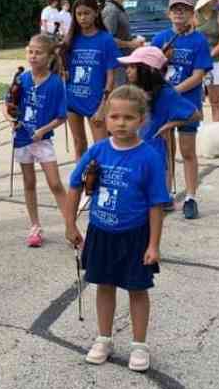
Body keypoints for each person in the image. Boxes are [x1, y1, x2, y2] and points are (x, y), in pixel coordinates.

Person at [63, 85, 170, 372]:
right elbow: (74, 186)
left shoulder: (149, 157)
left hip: (135, 234)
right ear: (105, 118)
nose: (120, 123)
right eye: (114, 117)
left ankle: (139, 345)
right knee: (104, 286)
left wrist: (153, 244)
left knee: (137, 289)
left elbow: (156, 203)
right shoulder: (97, 150)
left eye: (128, 118)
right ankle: (104, 338)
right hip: (100, 231)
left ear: (142, 120)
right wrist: (70, 223)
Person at [3, 33, 68, 247]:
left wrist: (43, 130)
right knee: (29, 183)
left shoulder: (56, 83)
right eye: (30, 51)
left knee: (55, 183)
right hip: (22, 138)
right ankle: (35, 227)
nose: (33, 56)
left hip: (42, 140)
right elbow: (7, 105)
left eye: (38, 53)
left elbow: (61, 116)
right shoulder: (21, 79)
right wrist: (10, 120)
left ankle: (71, 226)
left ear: (49, 57)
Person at [153, 0, 211, 219]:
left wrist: (173, 92)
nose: (179, 12)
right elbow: (151, 71)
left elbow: (198, 75)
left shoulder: (199, 41)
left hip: (187, 102)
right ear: (169, 13)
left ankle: (190, 197)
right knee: (165, 149)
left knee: (187, 150)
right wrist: (163, 56)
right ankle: (166, 192)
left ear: (191, 14)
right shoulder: (161, 38)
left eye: (184, 9)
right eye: (175, 9)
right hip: (163, 106)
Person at [118, 46, 201, 199]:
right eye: (127, 67)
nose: (127, 71)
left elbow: (196, 115)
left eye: (132, 67)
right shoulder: (133, 90)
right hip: (133, 148)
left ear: (146, 69)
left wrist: (169, 125)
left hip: (153, 151)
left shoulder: (166, 93)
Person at [62, 0, 120, 162]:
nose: (82, 18)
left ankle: (101, 186)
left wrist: (103, 107)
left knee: (101, 148)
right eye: (78, 14)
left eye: (86, 13)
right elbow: (62, 68)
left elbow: (111, 78)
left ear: (96, 13)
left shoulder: (105, 39)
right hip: (73, 100)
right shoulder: (71, 39)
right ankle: (81, 183)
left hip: (96, 103)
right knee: (79, 145)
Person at [193, 0, 219, 123]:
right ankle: (198, 132)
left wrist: (210, 55)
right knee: (197, 101)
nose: (216, 0)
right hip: (197, 64)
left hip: (216, 62)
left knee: (216, 102)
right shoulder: (194, 16)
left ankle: (218, 134)